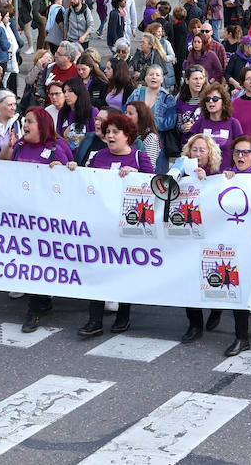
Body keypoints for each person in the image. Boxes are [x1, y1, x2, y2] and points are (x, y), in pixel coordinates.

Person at [190, 134, 251, 356]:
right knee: (239, 288)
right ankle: (242, 338)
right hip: (235, 244)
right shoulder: (226, 176)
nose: (241, 156)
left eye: (246, 152)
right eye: (237, 152)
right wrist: (216, 179)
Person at [79, 113, 155, 337]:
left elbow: (155, 186)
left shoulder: (140, 158)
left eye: (115, 132)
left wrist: (138, 175)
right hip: (101, 224)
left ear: (127, 135)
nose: (110, 135)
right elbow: (84, 183)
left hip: (128, 226)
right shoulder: (97, 157)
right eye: (107, 131)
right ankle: (94, 320)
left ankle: (124, 315)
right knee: (96, 270)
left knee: (124, 270)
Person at [190, 82, 243, 151]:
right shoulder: (200, 122)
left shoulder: (233, 123)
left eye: (215, 99)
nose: (211, 101)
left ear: (223, 102)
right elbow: (191, 148)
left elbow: (241, 150)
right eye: (207, 99)